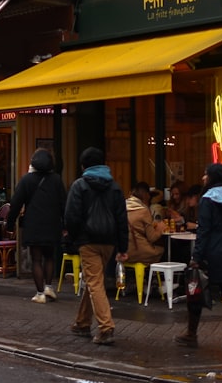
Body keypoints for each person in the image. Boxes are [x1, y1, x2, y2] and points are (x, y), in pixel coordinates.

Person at [174, 163, 222, 351]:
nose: (203, 178)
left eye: (206, 174)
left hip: (210, 251)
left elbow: (203, 231)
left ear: (213, 177)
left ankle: (191, 334)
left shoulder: (206, 200)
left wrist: (196, 257)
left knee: (196, 291)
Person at [63, 146, 128, 346]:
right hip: (109, 242)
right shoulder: (115, 188)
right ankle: (82, 323)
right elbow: (121, 219)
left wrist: (73, 237)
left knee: (94, 283)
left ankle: (106, 327)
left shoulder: (79, 185)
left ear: (83, 166)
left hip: (87, 241)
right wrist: (123, 246)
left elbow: (71, 216)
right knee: (94, 280)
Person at [6, 148, 66, 303]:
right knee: (50, 257)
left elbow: (15, 204)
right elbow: (64, 204)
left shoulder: (26, 180)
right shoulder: (57, 180)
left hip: (34, 225)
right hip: (53, 224)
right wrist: (65, 224)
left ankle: (40, 294)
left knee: (37, 259)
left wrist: (10, 224)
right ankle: (48, 287)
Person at [125, 181, 167, 264]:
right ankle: (157, 275)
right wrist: (160, 229)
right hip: (140, 252)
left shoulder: (122, 208)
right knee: (164, 250)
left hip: (124, 253)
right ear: (146, 195)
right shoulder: (143, 211)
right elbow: (152, 237)